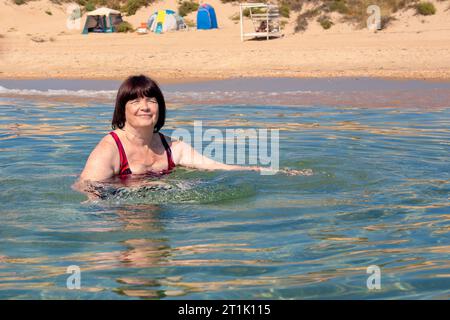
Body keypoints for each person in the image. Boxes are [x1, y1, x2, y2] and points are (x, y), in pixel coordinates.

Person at [74, 75, 274, 194]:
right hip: (122, 215)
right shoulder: (110, 148)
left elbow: (214, 166)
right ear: (122, 109)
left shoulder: (172, 146)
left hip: (163, 213)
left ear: (159, 107)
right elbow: (86, 188)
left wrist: (256, 169)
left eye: (151, 101)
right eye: (135, 102)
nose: (144, 107)